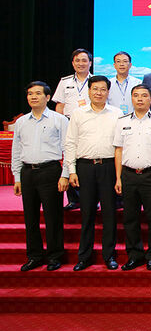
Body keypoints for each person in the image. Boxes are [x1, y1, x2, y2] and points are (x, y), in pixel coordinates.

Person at [64, 75, 122, 271]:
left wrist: (119, 174)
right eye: (95, 89)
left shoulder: (116, 113)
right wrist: (71, 171)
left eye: (103, 89)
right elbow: (70, 143)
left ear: (108, 92)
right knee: (87, 213)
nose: (99, 93)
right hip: (85, 167)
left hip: (108, 167)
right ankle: (84, 256)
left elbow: (120, 146)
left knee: (109, 213)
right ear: (89, 91)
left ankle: (109, 255)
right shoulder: (78, 114)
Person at [11, 81, 69, 272]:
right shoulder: (21, 122)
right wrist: (17, 177)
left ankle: (54, 256)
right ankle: (34, 256)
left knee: (53, 216)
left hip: (50, 171)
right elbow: (16, 150)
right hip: (27, 172)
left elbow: (68, 149)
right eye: (30, 94)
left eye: (37, 93)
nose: (33, 97)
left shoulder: (59, 120)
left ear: (48, 97)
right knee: (30, 217)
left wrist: (65, 174)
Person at [113, 84, 151, 271]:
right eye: (136, 95)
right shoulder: (122, 122)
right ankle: (134, 255)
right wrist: (118, 178)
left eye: (144, 95)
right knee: (130, 218)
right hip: (128, 175)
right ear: (131, 99)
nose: (140, 99)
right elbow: (118, 150)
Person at [52, 48, 93, 210]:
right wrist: (60, 125)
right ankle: (74, 199)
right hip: (69, 124)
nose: (81, 63)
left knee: (87, 160)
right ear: (73, 63)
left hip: (90, 125)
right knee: (70, 159)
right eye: (77, 60)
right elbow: (60, 105)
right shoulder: (65, 82)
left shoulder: (96, 81)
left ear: (90, 63)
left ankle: (93, 198)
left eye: (84, 60)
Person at [107, 51, 142, 115]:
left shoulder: (138, 83)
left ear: (130, 65)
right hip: (113, 118)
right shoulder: (108, 83)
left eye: (125, 61)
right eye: (118, 61)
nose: (121, 64)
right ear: (114, 65)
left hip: (133, 118)